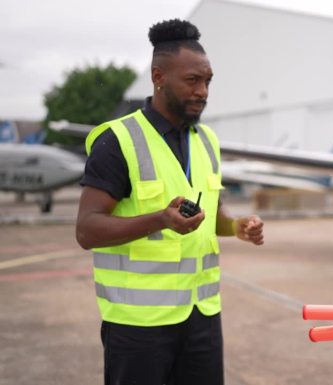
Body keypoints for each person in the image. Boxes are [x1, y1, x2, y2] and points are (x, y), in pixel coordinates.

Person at [75, 19, 264, 385]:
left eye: (208, 81)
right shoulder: (118, 141)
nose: (203, 91)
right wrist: (159, 219)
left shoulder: (207, 140)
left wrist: (236, 226)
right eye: (192, 80)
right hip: (137, 326)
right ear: (158, 76)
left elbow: (213, 214)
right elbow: (87, 229)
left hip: (202, 316)